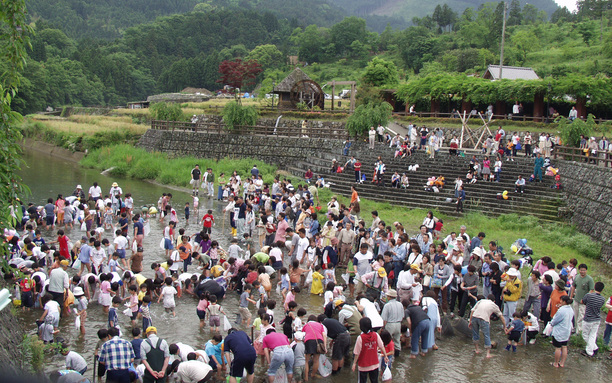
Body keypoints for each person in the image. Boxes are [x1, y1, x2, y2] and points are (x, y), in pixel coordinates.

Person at [352, 317, 388, 383]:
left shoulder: (360, 338)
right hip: (374, 364)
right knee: (374, 381)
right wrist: (385, 356)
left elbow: (357, 353)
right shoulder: (376, 335)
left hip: (363, 365)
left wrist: (354, 363)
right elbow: (382, 346)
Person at [580, 281, 605, 358]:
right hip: (597, 319)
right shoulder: (602, 299)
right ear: (602, 290)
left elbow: (582, 301)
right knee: (593, 335)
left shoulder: (588, 295)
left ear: (594, 287)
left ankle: (590, 351)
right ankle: (593, 348)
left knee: (585, 334)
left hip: (588, 318)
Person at [550, 295, 574, 368]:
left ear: (564, 301)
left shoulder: (561, 310)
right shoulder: (570, 309)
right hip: (567, 331)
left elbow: (555, 320)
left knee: (558, 348)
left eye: (561, 300)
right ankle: (562, 363)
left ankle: (556, 363)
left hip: (559, 331)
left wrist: (551, 323)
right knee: (564, 347)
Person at [570, 263, 594, 333]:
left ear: (586, 270)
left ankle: (579, 332)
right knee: (575, 314)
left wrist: (585, 299)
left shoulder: (589, 279)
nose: (582, 272)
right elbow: (573, 286)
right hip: (576, 299)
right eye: (581, 270)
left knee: (581, 316)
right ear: (579, 270)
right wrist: (571, 296)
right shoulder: (577, 277)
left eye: (584, 270)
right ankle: (575, 328)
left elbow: (591, 290)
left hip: (584, 302)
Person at [380, 289, 403, 356]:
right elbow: (402, 316)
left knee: (387, 341)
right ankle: (397, 356)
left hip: (390, 324)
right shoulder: (400, 304)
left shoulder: (387, 305)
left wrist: (383, 328)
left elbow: (384, 319)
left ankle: (386, 356)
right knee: (397, 341)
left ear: (389, 297)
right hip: (398, 324)